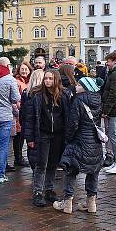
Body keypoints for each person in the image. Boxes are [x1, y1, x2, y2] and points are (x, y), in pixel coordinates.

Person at [54, 76, 105, 215]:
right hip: (94, 142)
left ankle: (67, 203)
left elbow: (73, 124)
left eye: (79, 85)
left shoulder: (78, 101)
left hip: (79, 141)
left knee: (71, 170)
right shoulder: (98, 100)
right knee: (93, 172)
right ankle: (91, 203)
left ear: (85, 87)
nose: (76, 86)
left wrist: (68, 139)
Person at [24, 69, 67, 206]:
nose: (47, 81)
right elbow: (30, 118)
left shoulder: (63, 95)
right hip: (42, 134)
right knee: (41, 163)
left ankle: (49, 189)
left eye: (50, 78)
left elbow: (67, 116)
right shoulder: (36, 95)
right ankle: (37, 192)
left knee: (53, 163)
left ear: (56, 80)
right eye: (46, 78)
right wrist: (29, 138)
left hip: (58, 134)